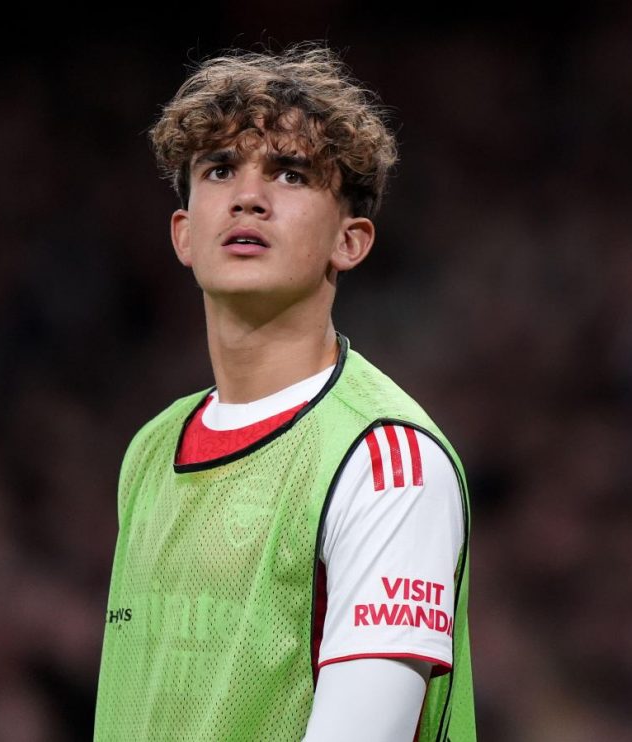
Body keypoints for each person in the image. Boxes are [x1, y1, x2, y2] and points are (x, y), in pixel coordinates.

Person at [92, 44, 476, 741]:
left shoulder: (387, 460)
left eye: (290, 174)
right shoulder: (150, 451)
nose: (247, 195)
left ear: (351, 241)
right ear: (183, 234)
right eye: (218, 170)